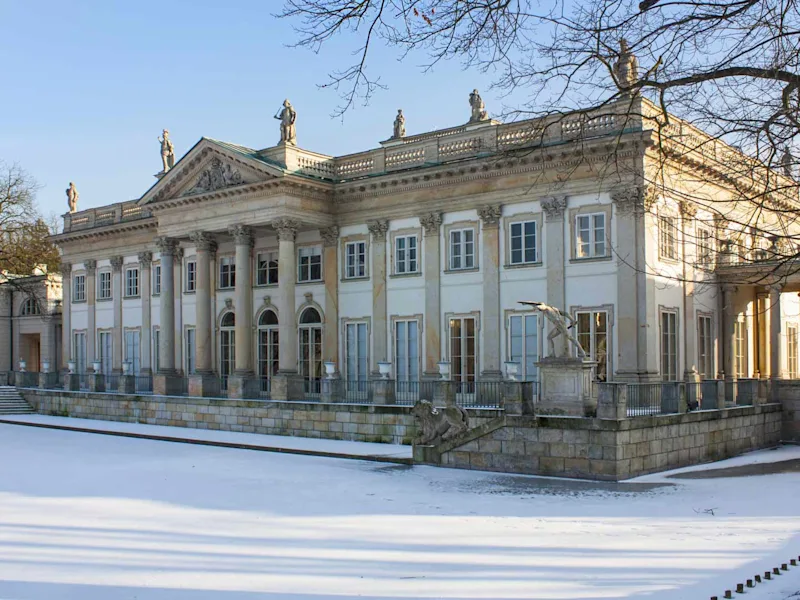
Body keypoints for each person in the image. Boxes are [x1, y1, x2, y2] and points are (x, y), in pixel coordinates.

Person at [519, 301, 585, 357]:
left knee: (570, 338)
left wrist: (529, 305)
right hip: (558, 325)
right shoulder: (553, 309)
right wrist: (572, 320)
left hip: (560, 325)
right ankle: (553, 354)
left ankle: (582, 352)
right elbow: (565, 313)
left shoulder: (545, 308)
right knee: (549, 337)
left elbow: (540, 307)